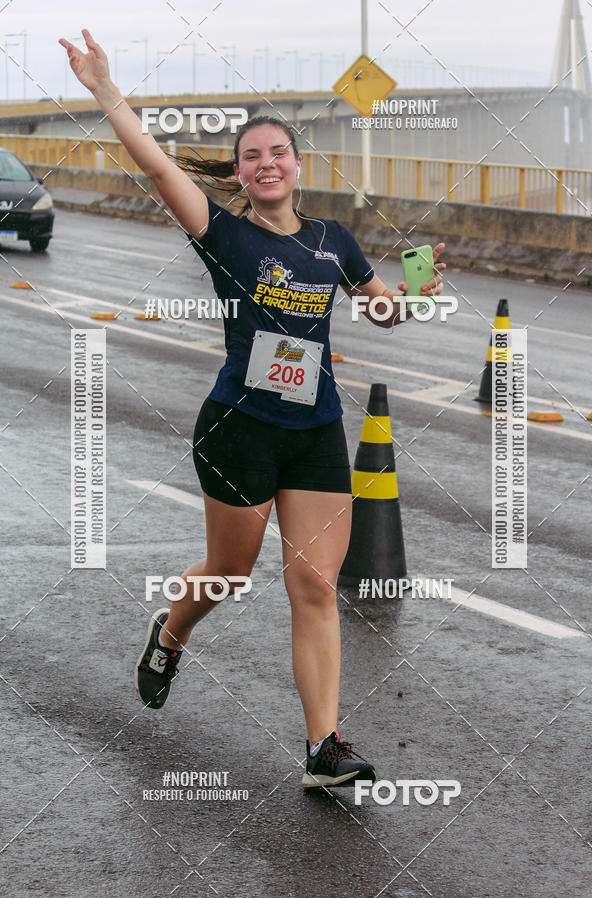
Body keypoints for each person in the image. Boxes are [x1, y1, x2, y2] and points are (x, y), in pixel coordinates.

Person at [60, 29, 445, 789]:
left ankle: (324, 748)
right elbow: (156, 162)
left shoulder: (335, 240)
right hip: (239, 427)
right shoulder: (223, 234)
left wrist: (410, 301)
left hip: (316, 431)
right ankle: (170, 632)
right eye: (252, 156)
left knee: (311, 584)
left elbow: (379, 311)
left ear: (297, 165)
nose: (266, 163)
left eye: (278, 152)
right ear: (240, 173)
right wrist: (107, 91)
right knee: (230, 575)